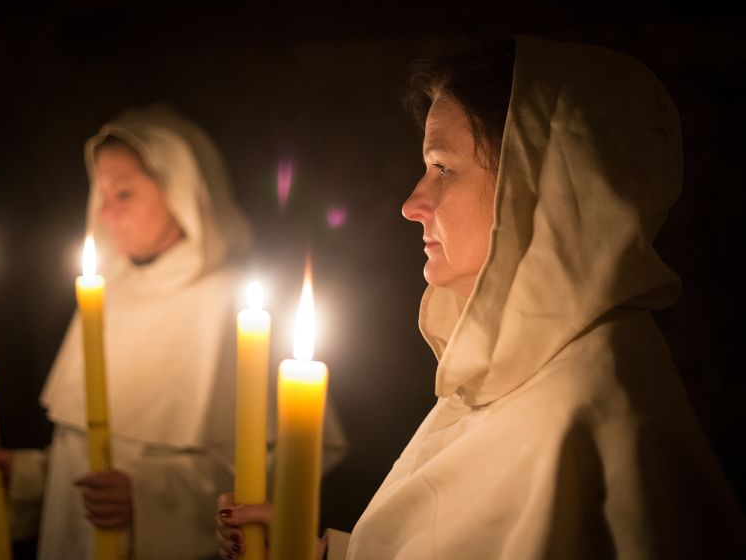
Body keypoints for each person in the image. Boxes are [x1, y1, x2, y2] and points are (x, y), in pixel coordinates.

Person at [216, 36, 746, 558]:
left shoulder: (594, 411)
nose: (411, 203)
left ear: (538, 182)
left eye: (442, 168)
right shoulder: (518, 365)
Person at [0, 105, 256, 559]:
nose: (104, 213)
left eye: (123, 194)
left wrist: (147, 499)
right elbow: (87, 455)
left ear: (181, 191)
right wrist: (27, 477)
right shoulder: (105, 292)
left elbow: (269, 476)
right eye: (100, 193)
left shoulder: (236, 306)